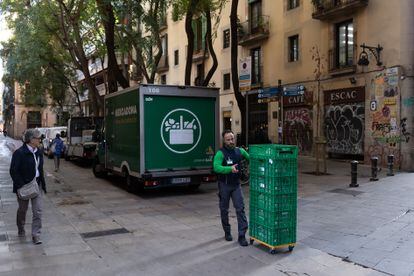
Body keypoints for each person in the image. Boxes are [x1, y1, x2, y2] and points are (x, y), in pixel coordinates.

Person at [9, 128, 47, 245]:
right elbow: (13, 171)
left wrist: (42, 184)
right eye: (38, 138)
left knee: (38, 211)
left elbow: (40, 169)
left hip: (36, 185)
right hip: (24, 186)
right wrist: (21, 185)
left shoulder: (39, 152)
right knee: (22, 210)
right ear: (31, 140)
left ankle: (36, 235)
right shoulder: (19, 153)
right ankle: (21, 228)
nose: (40, 140)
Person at [213, 129, 250, 246]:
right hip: (224, 185)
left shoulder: (240, 151)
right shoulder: (220, 153)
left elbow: (251, 158)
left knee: (240, 208)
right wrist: (229, 169)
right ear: (224, 141)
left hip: (236, 185)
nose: (231, 141)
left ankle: (242, 235)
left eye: (232, 138)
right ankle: (227, 232)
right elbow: (216, 167)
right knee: (224, 210)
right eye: (228, 139)